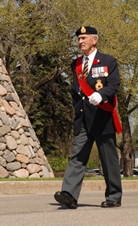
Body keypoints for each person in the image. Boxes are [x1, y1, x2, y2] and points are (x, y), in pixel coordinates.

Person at [54, 26, 122, 209]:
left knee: (109, 160)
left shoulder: (108, 61)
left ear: (95, 39)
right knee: (77, 156)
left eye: (84, 38)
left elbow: (114, 84)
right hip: (83, 118)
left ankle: (114, 196)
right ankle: (69, 194)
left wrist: (102, 95)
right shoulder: (76, 64)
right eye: (78, 38)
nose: (80, 41)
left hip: (101, 117)